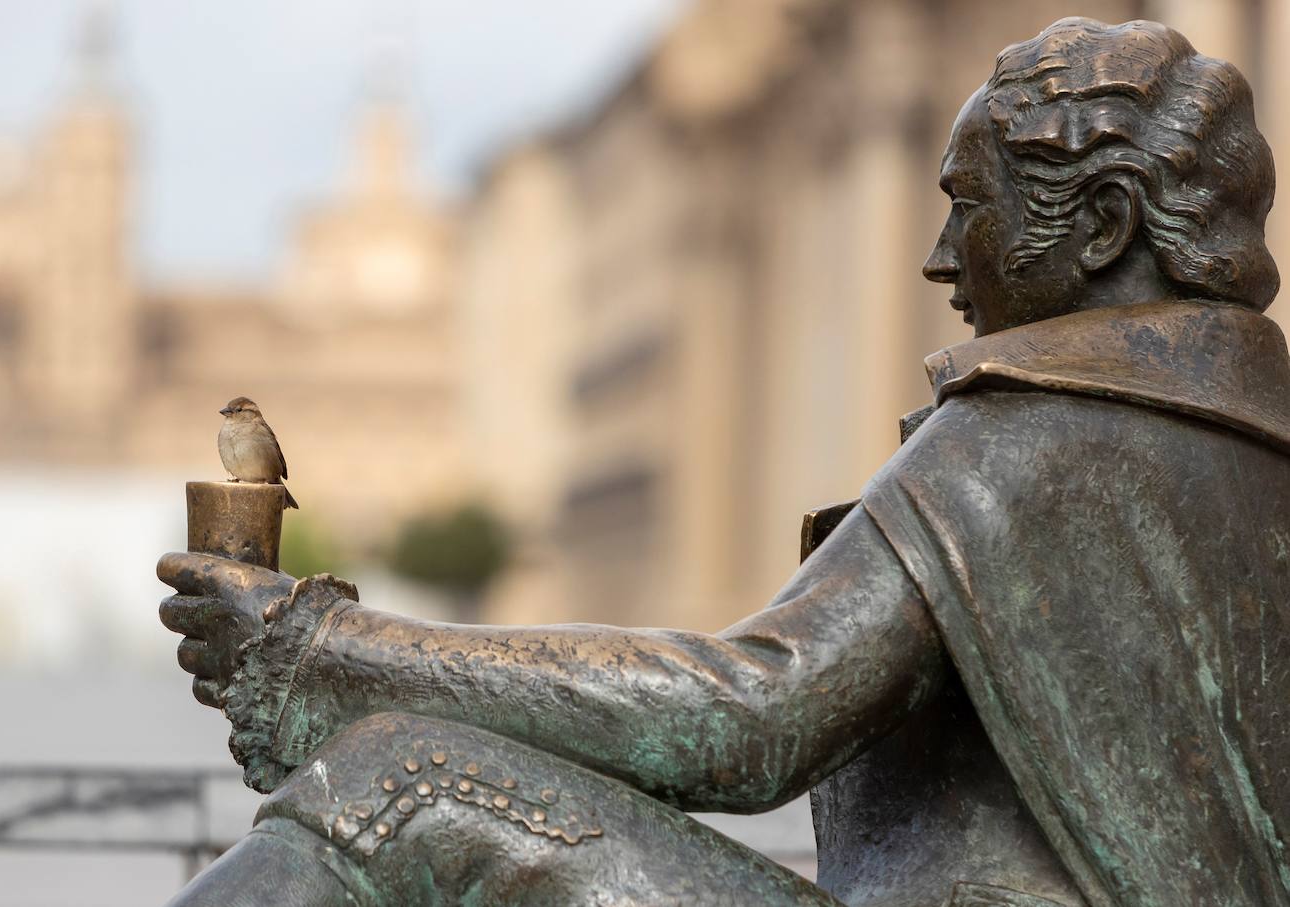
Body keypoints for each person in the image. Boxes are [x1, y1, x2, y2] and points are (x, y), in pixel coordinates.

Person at [158, 18, 1290, 907]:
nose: (944, 259)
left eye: (968, 211)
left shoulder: (1028, 435)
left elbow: (749, 716)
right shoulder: (1247, 444)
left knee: (399, 784)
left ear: (1099, 226)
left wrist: (326, 648)